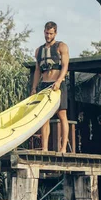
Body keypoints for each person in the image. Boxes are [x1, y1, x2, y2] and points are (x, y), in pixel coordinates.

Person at [30, 21, 70, 153]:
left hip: (58, 84)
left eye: (51, 33)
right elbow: (37, 70)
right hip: (44, 85)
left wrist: (58, 81)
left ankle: (63, 147)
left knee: (62, 114)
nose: (48, 36)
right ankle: (45, 148)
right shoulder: (39, 51)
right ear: (44, 32)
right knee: (44, 116)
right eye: (46, 33)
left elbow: (65, 66)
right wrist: (34, 88)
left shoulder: (61, 47)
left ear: (55, 33)